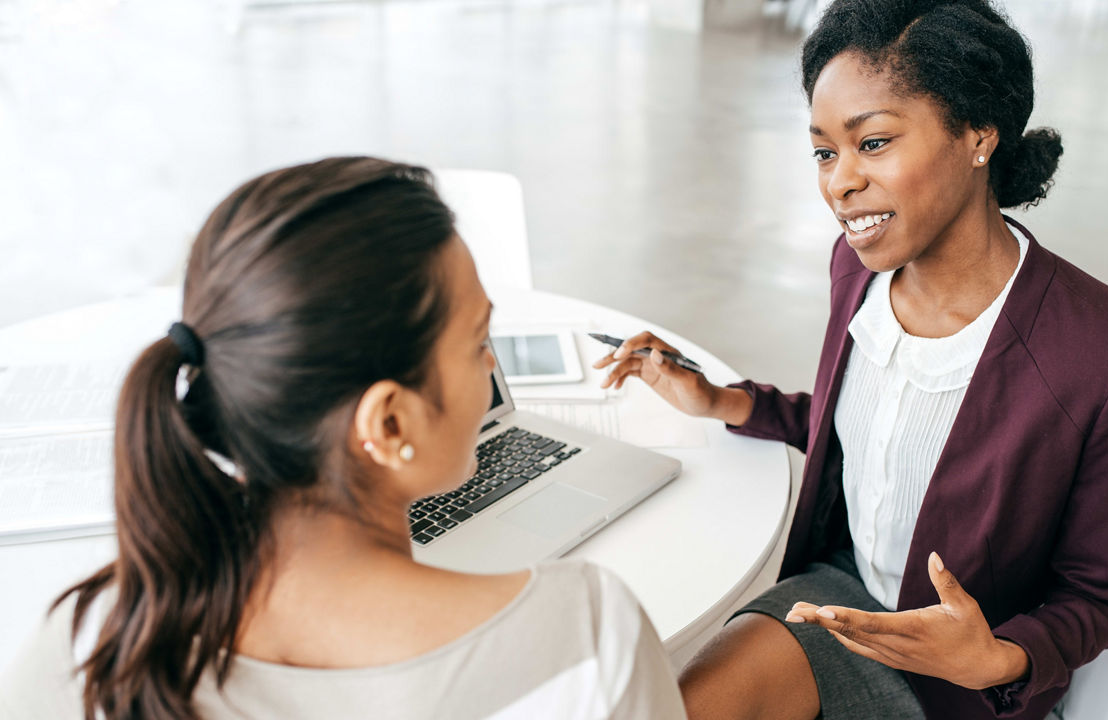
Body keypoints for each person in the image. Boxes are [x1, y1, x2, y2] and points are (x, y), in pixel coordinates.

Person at [594, 1, 1108, 718]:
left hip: (967, 684)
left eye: (872, 143)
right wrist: (722, 401)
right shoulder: (858, 268)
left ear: (978, 136)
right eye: (823, 151)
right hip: (844, 601)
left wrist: (996, 656)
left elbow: (1099, 594)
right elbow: (874, 431)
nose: (838, 182)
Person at [0, 157, 687, 720]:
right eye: (479, 342)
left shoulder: (86, 649)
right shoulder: (587, 637)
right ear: (388, 425)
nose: (491, 369)